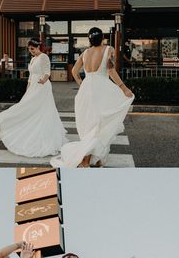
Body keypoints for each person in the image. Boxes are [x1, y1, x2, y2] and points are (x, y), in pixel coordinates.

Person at [51, 27, 134, 168]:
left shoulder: (85, 53)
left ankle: (95, 157)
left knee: (89, 125)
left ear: (89, 40)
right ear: (102, 38)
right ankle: (87, 160)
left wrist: (82, 83)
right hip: (101, 89)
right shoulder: (109, 50)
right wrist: (123, 88)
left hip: (86, 89)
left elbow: (74, 71)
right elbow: (110, 70)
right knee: (100, 124)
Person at [0, 38, 67, 158]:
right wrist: (28, 87)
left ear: (38, 47)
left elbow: (47, 72)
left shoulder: (43, 57)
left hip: (42, 86)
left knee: (41, 110)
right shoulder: (33, 59)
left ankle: (43, 134)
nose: (30, 51)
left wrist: (43, 80)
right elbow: (31, 75)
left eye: (32, 49)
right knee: (27, 107)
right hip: (33, 86)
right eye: (29, 49)